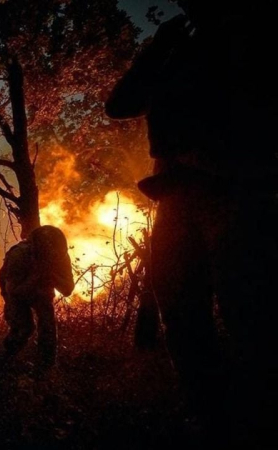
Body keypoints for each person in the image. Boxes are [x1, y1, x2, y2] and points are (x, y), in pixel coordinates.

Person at [106, 2, 278, 446]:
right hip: (177, 195)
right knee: (181, 313)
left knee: (249, 312)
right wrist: (157, 49)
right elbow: (120, 104)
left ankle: (256, 417)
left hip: (236, 192)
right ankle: (214, 419)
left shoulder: (254, 34)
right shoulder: (178, 47)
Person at [0, 226, 74, 370]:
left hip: (40, 290)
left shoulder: (61, 255)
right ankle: (5, 360)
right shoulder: (19, 255)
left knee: (48, 326)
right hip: (16, 286)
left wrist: (51, 275)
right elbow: (14, 291)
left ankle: (46, 367)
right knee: (24, 328)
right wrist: (37, 276)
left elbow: (67, 289)